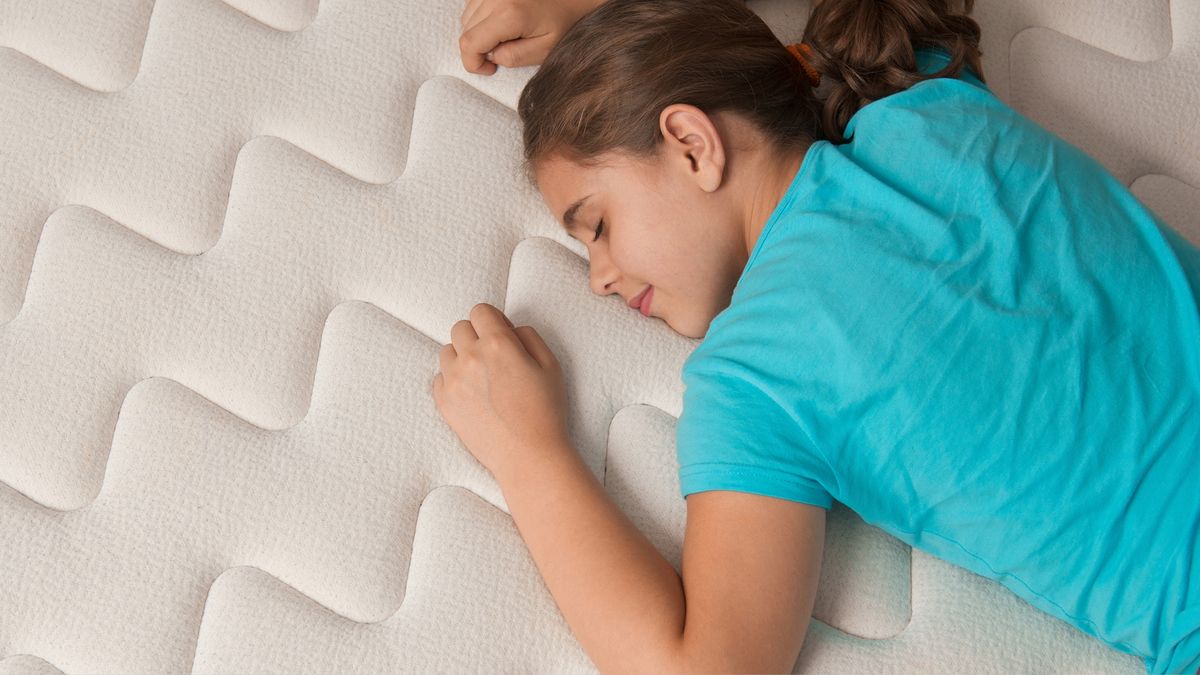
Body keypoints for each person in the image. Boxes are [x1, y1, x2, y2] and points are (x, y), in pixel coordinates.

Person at [451, 0, 1200, 672]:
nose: (599, 278)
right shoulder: (927, 101)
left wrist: (531, 453)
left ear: (689, 142)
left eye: (599, 226)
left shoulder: (754, 374)